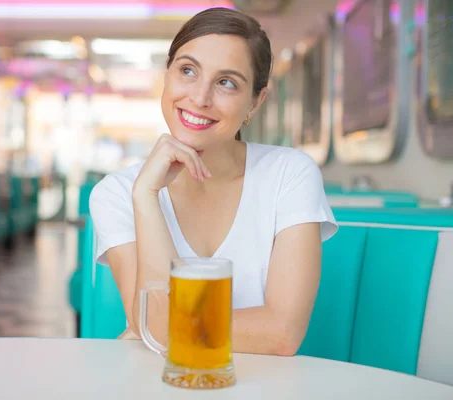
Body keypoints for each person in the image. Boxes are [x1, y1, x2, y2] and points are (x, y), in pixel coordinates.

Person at [89, 7, 338, 356]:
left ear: (255, 102)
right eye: (188, 70)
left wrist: (170, 327)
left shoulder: (290, 175)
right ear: (167, 75)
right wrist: (146, 196)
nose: (200, 98)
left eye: (226, 82)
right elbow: (157, 327)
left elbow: (282, 334)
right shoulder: (116, 193)